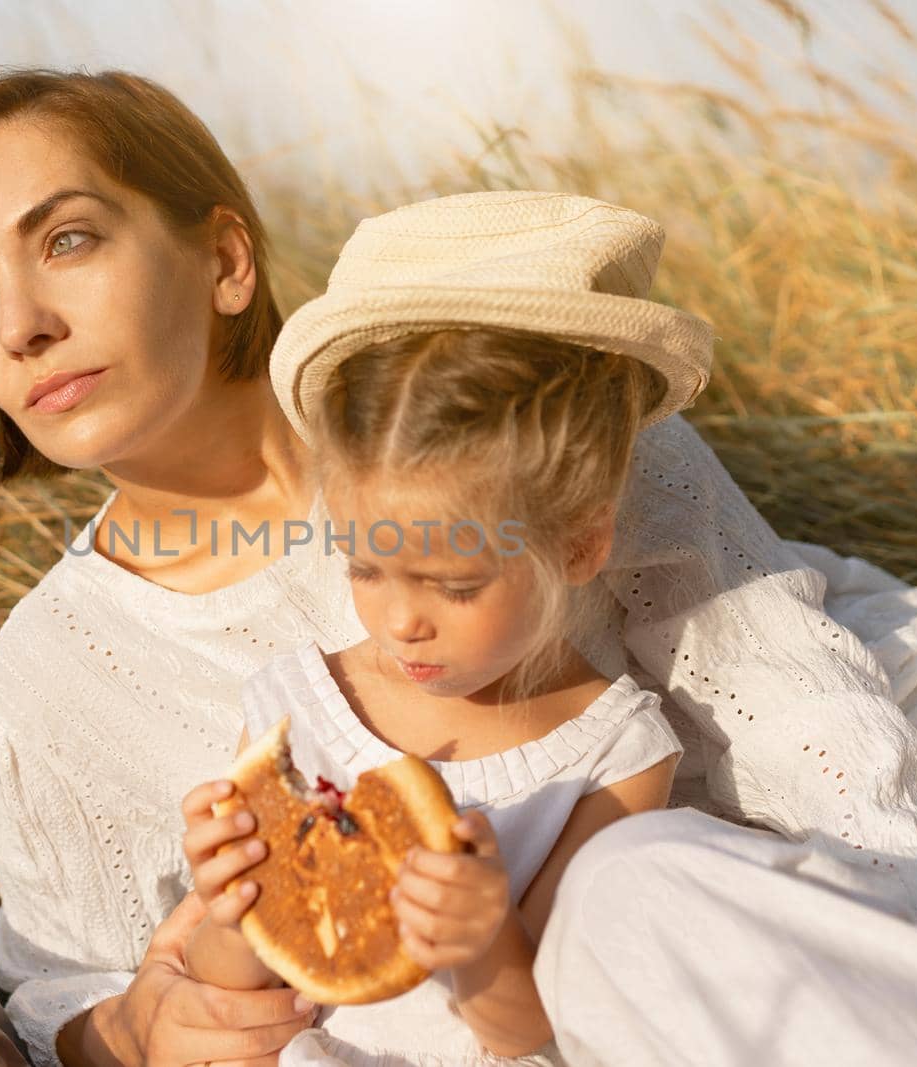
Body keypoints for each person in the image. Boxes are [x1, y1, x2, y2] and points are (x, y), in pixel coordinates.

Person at [0, 67, 917, 1066]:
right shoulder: (54, 681)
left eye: (65, 240)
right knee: (639, 887)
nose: (18, 324)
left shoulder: (475, 378)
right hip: (641, 941)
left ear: (225, 258)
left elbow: (803, 708)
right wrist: (132, 1023)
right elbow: (52, 984)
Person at [179, 201, 689, 1064]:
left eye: (453, 585)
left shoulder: (623, 757)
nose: (399, 620)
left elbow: (536, 1030)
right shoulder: (295, 709)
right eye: (364, 568)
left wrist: (483, 938)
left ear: (578, 544)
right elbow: (228, 981)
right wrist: (229, 904)